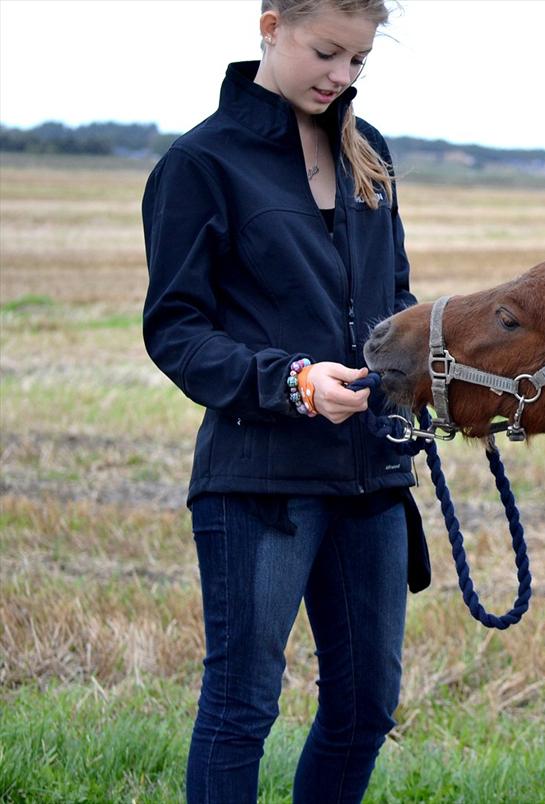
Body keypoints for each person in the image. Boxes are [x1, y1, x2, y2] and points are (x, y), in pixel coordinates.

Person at [140, 1, 428, 800]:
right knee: (242, 708)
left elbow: (391, 300)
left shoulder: (373, 156)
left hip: (371, 477)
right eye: (327, 53)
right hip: (261, 483)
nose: (342, 76)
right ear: (271, 27)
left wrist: (417, 376)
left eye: (359, 62)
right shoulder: (201, 163)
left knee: (367, 706)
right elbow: (176, 330)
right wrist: (292, 382)